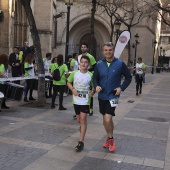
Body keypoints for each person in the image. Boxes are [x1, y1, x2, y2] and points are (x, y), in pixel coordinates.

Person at [93, 42, 132, 152]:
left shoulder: (120, 64)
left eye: (110, 50)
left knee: (108, 118)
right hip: (102, 95)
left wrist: (121, 88)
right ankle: (108, 137)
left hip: (113, 95)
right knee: (105, 119)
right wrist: (96, 86)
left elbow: (129, 78)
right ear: (103, 51)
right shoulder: (99, 64)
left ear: (113, 51)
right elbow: (95, 78)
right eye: (106, 50)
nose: (108, 52)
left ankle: (111, 139)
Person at [67, 56, 95, 152]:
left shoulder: (90, 75)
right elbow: (68, 82)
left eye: (86, 62)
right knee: (79, 120)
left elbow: (93, 87)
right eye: (82, 62)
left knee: (83, 119)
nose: (83, 64)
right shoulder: (74, 73)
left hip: (85, 101)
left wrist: (92, 91)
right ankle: (82, 128)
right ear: (79, 64)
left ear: (89, 64)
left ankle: (81, 141)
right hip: (76, 101)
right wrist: (72, 89)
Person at [76, 43, 96, 117]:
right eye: (82, 47)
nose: (83, 48)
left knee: (90, 93)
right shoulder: (79, 57)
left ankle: (90, 108)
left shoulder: (90, 57)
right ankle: (79, 111)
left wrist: (87, 70)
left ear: (87, 48)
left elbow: (94, 66)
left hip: (88, 76)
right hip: (80, 77)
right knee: (80, 92)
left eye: (84, 47)